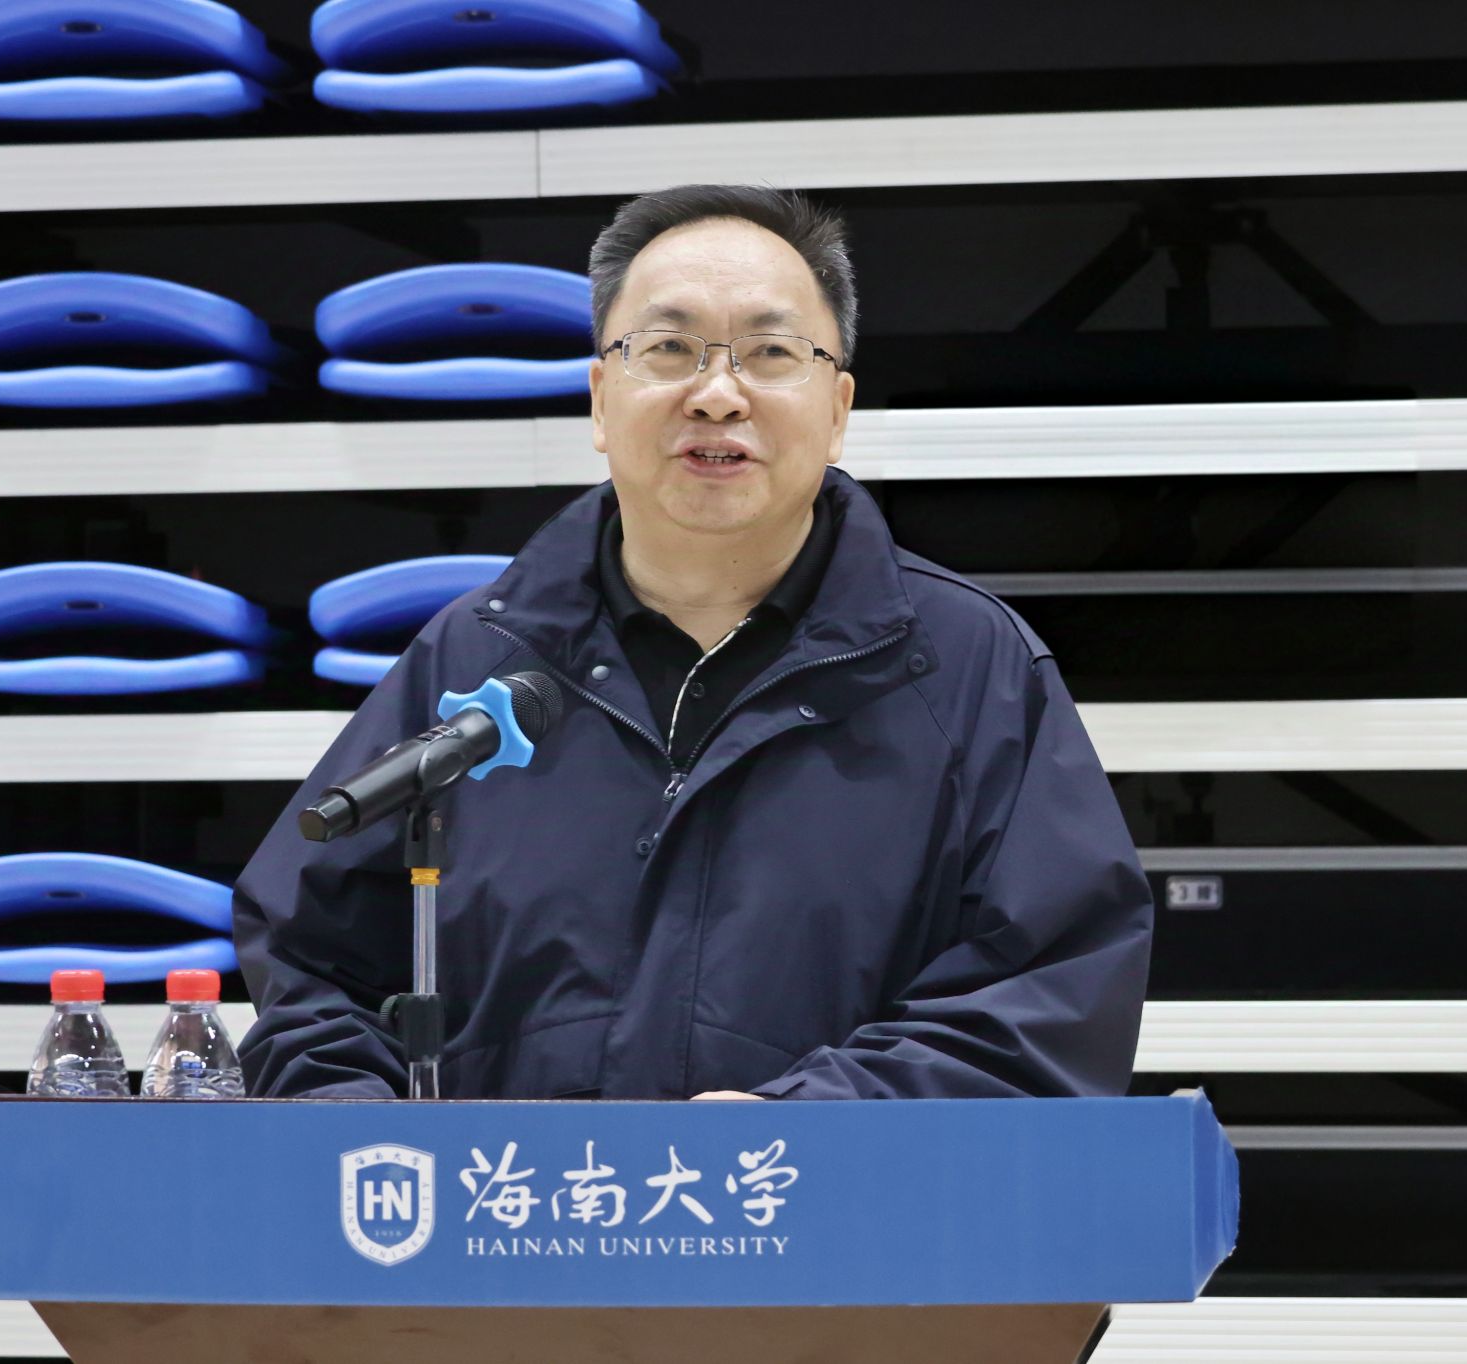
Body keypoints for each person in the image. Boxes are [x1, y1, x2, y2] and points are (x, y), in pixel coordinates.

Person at [233, 184, 1152, 1101]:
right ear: (601, 399)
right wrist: (368, 1139)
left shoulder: (969, 668)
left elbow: (1050, 996)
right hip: (515, 1198)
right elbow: (314, 971)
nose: (716, 395)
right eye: (669, 349)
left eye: (771, 353)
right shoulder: (475, 659)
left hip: (821, 1198)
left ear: (838, 410)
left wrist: (808, 1129)